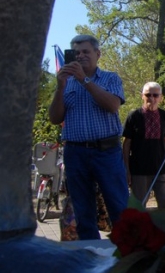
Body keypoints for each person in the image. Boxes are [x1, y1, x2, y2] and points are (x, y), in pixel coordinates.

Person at [48, 34, 128, 240]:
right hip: (76, 153)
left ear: (97, 54)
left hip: (106, 152)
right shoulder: (66, 83)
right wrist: (60, 87)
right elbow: (55, 118)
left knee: (119, 206)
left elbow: (112, 105)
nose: (81, 56)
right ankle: (90, 256)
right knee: (83, 212)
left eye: (85, 51)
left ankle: (129, 257)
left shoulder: (110, 78)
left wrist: (84, 80)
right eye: (76, 53)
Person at [122, 82, 165, 210]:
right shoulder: (134, 116)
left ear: (160, 97)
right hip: (139, 171)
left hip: (161, 169)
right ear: (142, 96)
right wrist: (126, 169)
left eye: (155, 95)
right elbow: (127, 144)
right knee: (138, 209)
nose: (152, 98)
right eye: (148, 94)